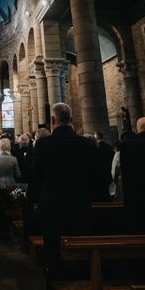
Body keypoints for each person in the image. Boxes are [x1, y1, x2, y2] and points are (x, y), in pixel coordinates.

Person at [32, 103, 98, 280]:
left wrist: (34, 203)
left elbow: (36, 179)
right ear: (72, 119)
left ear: (53, 120)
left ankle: (55, 281)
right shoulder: (88, 145)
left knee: (53, 255)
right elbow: (98, 178)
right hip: (80, 206)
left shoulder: (42, 145)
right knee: (82, 253)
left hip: (51, 207)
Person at [0, 138, 20, 241]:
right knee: (11, 208)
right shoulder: (14, 159)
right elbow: (18, 175)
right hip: (12, 186)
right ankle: (9, 230)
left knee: (0, 210)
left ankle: (1, 232)